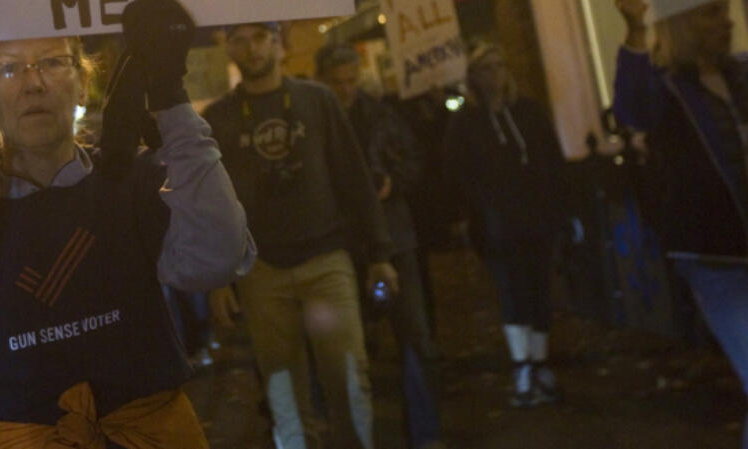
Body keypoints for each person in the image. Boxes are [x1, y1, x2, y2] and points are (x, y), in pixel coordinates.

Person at [0, 0, 255, 447]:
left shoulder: (131, 177)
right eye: (7, 68)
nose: (33, 84)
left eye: (52, 62)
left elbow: (216, 260)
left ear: (83, 84)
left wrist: (170, 99)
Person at [614, 0, 748, 449]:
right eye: (712, 12)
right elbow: (631, 109)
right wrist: (634, 32)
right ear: (685, 22)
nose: (727, 21)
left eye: (725, 10)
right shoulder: (667, 90)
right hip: (722, 267)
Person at [204, 22, 398, 449]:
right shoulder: (217, 118)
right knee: (283, 392)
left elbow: (353, 178)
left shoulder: (317, 101)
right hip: (261, 271)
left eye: (259, 36)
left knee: (348, 380)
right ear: (229, 47)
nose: (251, 48)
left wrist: (379, 252)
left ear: (278, 42)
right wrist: (218, 276)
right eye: (239, 38)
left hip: (326, 260)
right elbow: (211, 205)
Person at [315, 43, 441, 449]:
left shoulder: (380, 115)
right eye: (338, 83)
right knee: (350, 347)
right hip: (343, 250)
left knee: (414, 336)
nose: (346, 90)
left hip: (393, 243)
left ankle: (423, 432)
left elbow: (414, 162)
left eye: (351, 81)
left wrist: (391, 182)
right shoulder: (318, 122)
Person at [443, 43, 568, 407]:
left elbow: (551, 158)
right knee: (511, 290)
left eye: (500, 66)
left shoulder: (528, 112)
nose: (495, 74)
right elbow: (455, 172)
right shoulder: (465, 123)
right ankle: (522, 366)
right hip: (495, 222)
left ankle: (540, 361)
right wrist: (475, 207)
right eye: (486, 68)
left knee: (538, 288)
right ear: (474, 76)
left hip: (536, 217)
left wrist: (560, 208)